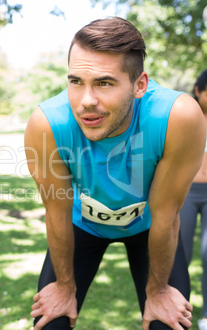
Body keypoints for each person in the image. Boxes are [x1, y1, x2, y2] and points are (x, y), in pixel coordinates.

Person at [24, 17, 205, 329]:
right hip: (82, 225)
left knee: (168, 322)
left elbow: (165, 215)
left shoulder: (178, 116)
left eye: (104, 83)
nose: (86, 101)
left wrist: (159, 290)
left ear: (140, 85)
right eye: (76, 81)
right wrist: (65, 287)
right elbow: (56, 212)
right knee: (50, 319)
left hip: (151, 226)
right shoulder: (47, 124)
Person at [179, 69, 207, 330]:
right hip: (186, 191)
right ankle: (178, 309)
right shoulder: (187, 117)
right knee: (180, 253)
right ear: (198, 91)